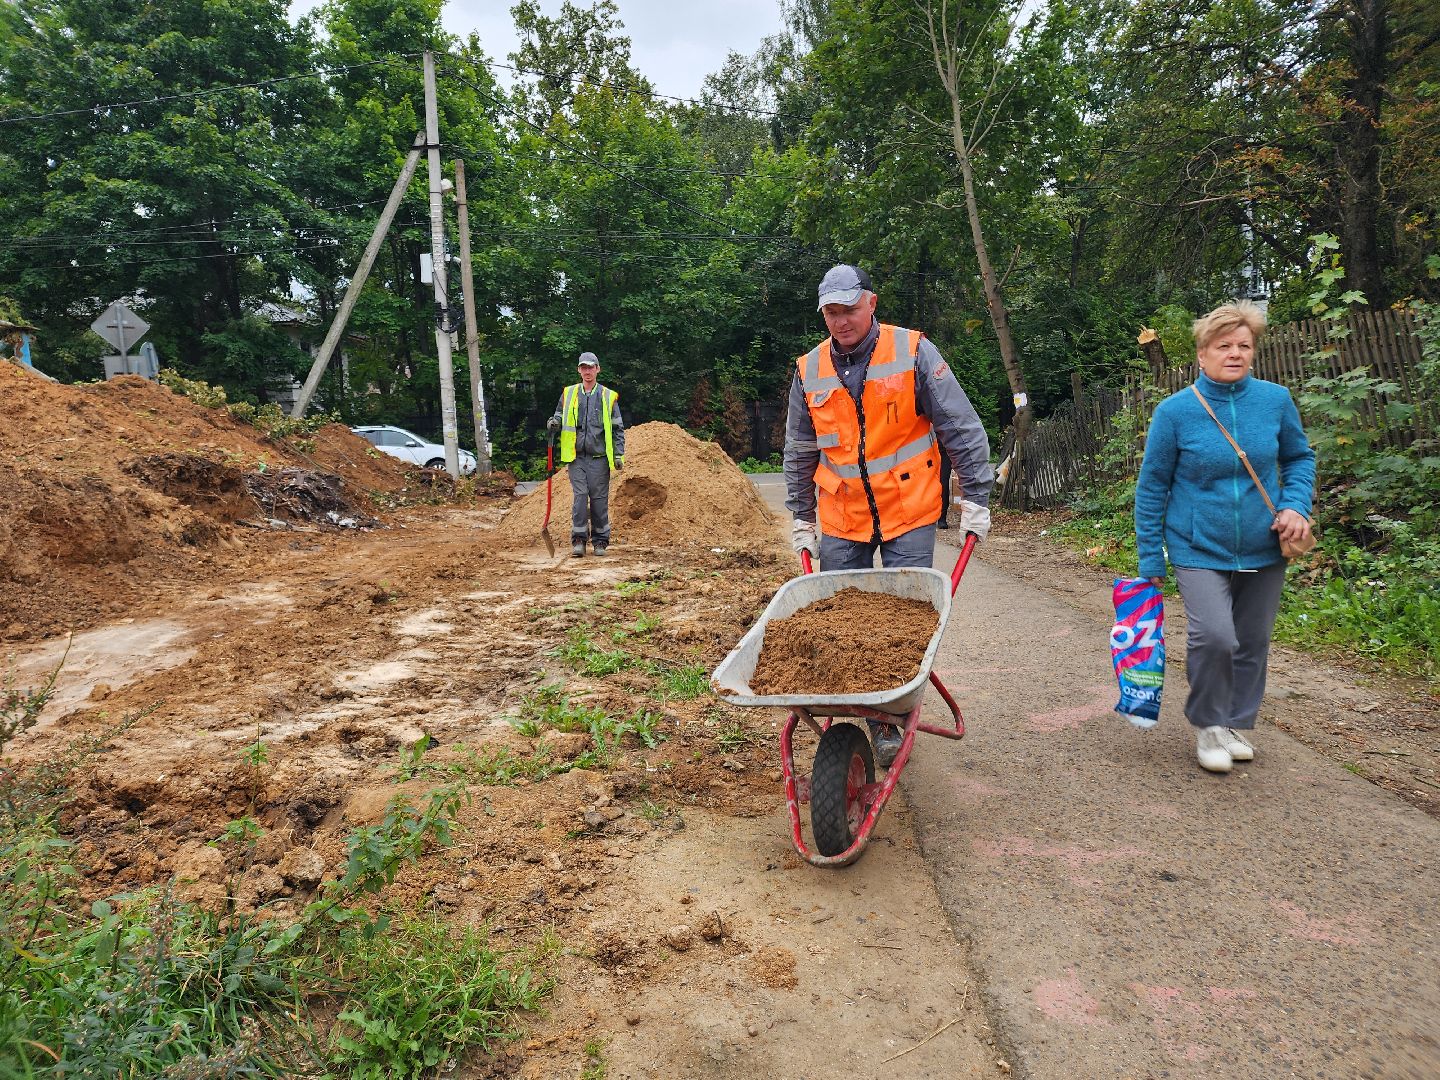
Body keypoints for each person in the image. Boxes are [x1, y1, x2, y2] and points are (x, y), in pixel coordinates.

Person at [784, 263, 993, 764]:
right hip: (842, 514)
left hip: (909, 508)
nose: (841, 321)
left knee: (904, 624)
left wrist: (977, 498)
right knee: (843, 619)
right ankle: (857, 708)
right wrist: (800, 514)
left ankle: (888, 720)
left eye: (849, 309)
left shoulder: (913, 351)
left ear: (871, 303)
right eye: (831, 312)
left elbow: (960, 427)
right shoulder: (808, 369)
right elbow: (799, 448)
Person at [1134, 300, 1315, 774]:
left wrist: (1296, 504)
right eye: (1223, 346)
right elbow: (1152, 487)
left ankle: (1233, 721)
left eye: (1243, 345)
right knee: (1215, 636)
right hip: (1198, 546)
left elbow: (1299, 459)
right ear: (1202, 354)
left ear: (1253, 351)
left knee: (1252, 641)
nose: (1234, 353)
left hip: (1263, 544)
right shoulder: (1175, 413)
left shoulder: (1275, 401)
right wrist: (1151, 556)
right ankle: (1209, 724)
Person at [547, 351, 625, 557]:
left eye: (591, 367)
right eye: (584, 367)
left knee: (599, 500)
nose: (587, 371)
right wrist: (553, 423)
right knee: (580, 498)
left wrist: (619, 455)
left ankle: (600, 541)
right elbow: (558, 416)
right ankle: (579, 540)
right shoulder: (568, 393)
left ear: (598, 369)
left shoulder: (608, 396)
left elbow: (618, 429)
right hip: (576, 457)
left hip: (599, 458)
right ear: (579, 370)